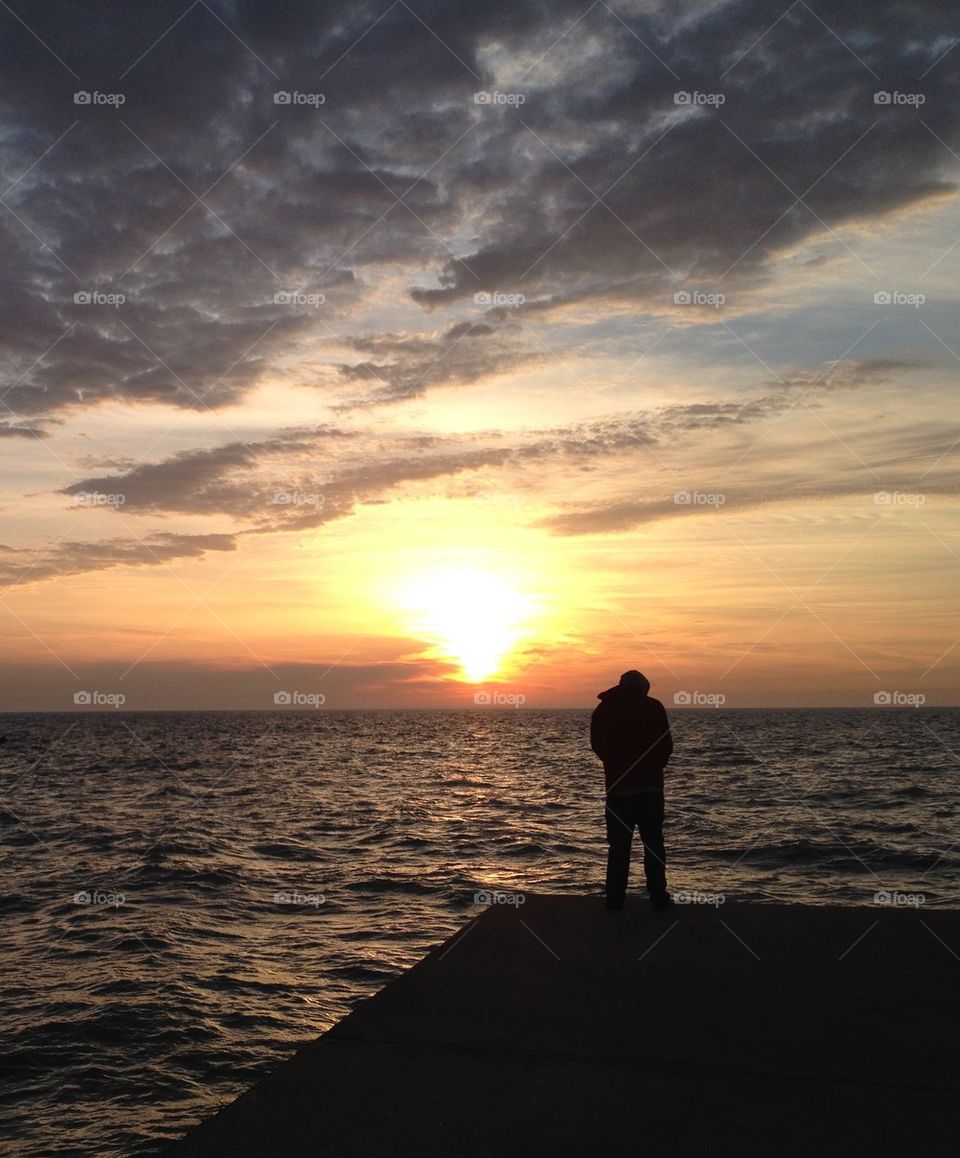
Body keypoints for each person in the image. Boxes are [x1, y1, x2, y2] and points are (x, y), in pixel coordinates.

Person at [590, 670, 674, 911]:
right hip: (650, 790)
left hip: (618, 792)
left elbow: (597, 745)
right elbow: (666, 745)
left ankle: (615, 898)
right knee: (654, 844)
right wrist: (654, 767)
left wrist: (614, 765)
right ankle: (658, 896)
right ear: (643, 689)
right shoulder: (654, 708)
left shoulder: (604, 710)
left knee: (618, 847)